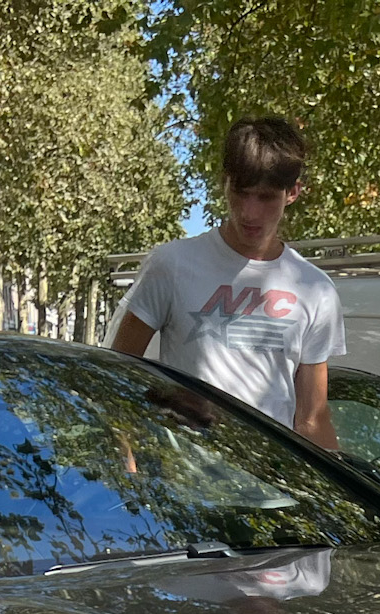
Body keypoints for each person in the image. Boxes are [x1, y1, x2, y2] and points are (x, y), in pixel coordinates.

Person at [110, 116, 343, 451]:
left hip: (275, 492)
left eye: (265, 197)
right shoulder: (172, 264)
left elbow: (312, 420)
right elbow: (119, 376)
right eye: (241, 192)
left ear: (292, 193)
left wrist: (342, 500)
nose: (249, 212)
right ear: (224, 183)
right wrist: (126, 461)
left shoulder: (315, 290)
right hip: (181, 492)